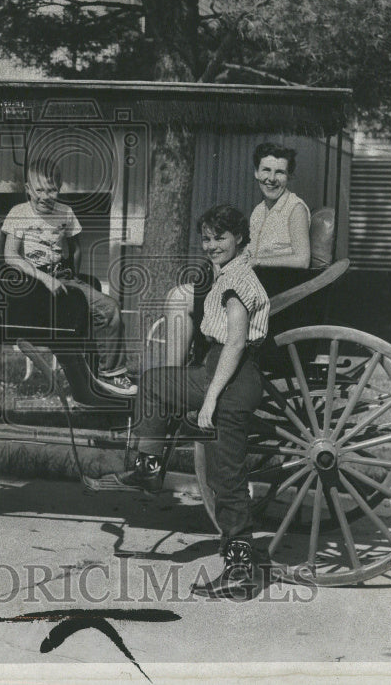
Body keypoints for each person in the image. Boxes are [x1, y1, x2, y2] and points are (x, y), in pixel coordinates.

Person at [86, 205, 269, 600]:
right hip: (219, 371)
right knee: (154, 383)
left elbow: (236, 342)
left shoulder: (239, 279)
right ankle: (148, 466)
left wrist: (210, 400)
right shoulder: (229, 274)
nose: (212, 246)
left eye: (220, 238)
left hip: (230, 378)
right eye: (206, 238)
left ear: (239, 239)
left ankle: (241, 570)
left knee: (227, 478)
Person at [1, 159, 136, 397]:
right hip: (31, 282)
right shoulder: (18, 213)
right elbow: (10, 256)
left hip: (61, 276)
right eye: (39, 190)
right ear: (28, 189)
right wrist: (44, 278)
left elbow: (75, 248)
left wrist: (72, 277)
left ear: (60, 188)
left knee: (109, 308)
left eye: (51, 189)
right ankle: (107, 374)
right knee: (93, 310)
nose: (45, 196)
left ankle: (108, 373)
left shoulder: (66, 212)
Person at [248, 142, 311, 268]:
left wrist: (258, 262)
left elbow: (303, 260)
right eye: (266, 170)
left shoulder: (295, 208)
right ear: (256, 173)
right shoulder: (258, 210)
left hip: (280, 282)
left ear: (289, 176)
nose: (271, 178)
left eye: (279, 172)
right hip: (255, 279)